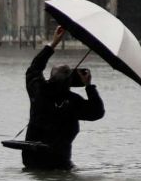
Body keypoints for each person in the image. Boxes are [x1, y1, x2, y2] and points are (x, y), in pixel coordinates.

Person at [22, 25, 104, 170]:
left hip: (32, 160)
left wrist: (53, 44)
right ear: (71, 81)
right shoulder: (74, 102)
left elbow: (34, 69)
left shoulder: (38, 91)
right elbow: (97, 112)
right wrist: (89, 86)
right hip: (59, 162)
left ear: (50, 77)